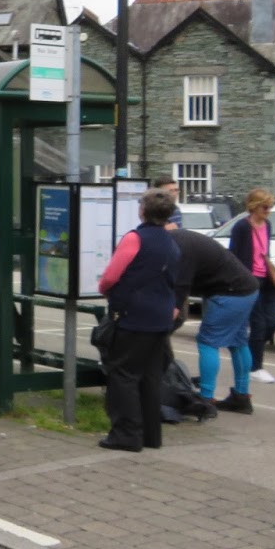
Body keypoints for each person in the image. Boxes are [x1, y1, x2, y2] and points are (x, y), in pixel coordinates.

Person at [96, 188, 181, 452]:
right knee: (150, 377)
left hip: (133, 316)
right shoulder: (171, 242)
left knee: (123, 375)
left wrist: (105, 289)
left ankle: (126, 435)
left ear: (142, 210)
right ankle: (150, 436)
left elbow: (111, 276)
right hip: (160, 318)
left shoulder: (135, 239)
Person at [171, 227, 260, 413]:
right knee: (238, 342)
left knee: (207, 342)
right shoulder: (188, 238)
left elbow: (182, 283)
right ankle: (242, 396)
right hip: (248, 288)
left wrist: (174, 308)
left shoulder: (181, 245)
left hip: (228, 293)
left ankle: (205, 398)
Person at [228, 188, 275, 384]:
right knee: (259, 324)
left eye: (270, 207)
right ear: (254, 206)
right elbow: (233, 256)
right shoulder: (241, 228)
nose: (268, 211)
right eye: (265, 207)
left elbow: (265, 252)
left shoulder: (267, 225)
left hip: (266, 279)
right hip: (249, 280)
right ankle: (255, 367)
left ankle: (252, 349)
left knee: (274, 321)